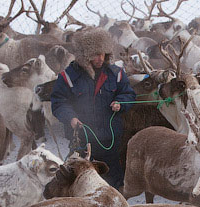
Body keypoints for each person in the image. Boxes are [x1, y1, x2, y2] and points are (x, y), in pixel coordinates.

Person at [51, 27, 136, 188]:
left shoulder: (116, 74)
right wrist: (70, 118)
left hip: (111, 139)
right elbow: (59, 102)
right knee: (82, 180)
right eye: (96, 54)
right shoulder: (67, 76)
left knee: (113, 179)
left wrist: (121, 102)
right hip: (82, 138)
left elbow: (128, 94)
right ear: (85, 55)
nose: (100, 58)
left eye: (103, 53)